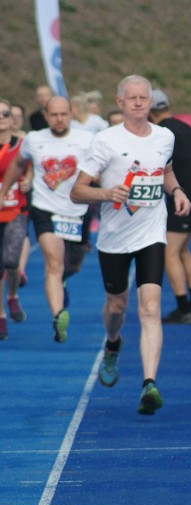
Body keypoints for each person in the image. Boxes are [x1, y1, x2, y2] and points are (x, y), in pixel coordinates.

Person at [71, 75, 191, 415]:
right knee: (117, 307)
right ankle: (112, 343)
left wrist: (177, 191)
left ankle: (149, 383)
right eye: (132, 98)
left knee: (150, 307)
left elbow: (165, 172)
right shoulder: (105, 141)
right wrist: (107, 193)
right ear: (120, 102)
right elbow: (77, 191)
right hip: (114, 238)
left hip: (152, 234)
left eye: (143, 97)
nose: (138, 103)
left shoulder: (164, 137)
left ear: (150, 102)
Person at [2, 96, 94, 342]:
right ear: (45, 115)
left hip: (78, 211)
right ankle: (58, 315)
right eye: (54, 115)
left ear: (71, 114)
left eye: (64, 114)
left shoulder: (87, 140)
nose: (59, 119)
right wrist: (3, 191)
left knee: (71, 266)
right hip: (45, 210)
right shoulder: (35, 140)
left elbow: (102, 170)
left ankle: (62, 282)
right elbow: (17, 164)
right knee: (53, 264)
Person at [149, 89, 191, 324]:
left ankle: (184, 308)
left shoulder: (160, 132)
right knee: (183, 250)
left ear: (151, 111)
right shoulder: (185, 127)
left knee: (170, 252)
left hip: (182, 195)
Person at [0, 99, 30, 339]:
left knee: (11, 261)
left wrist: (29, 181)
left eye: (5, 113)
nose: (0, 117)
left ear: (12, 119)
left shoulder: (22, 146)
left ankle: (12, 296)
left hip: (16, 211)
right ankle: (0, 317)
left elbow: (32, 170)